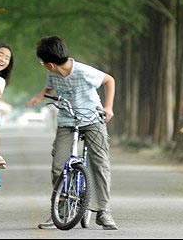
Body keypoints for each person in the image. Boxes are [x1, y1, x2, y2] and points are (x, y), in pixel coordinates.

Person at [26, 35, 118, 230]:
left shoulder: (84, 71)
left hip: (92, 119)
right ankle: (61, 209)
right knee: (59, 165)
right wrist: (40, 95)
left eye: (42, 63)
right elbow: (50, 85)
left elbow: (109, 80)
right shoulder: (52, 73)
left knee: (100, 163)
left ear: (49, 64)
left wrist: (108, 108)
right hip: (67, 122)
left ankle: (104, 211)